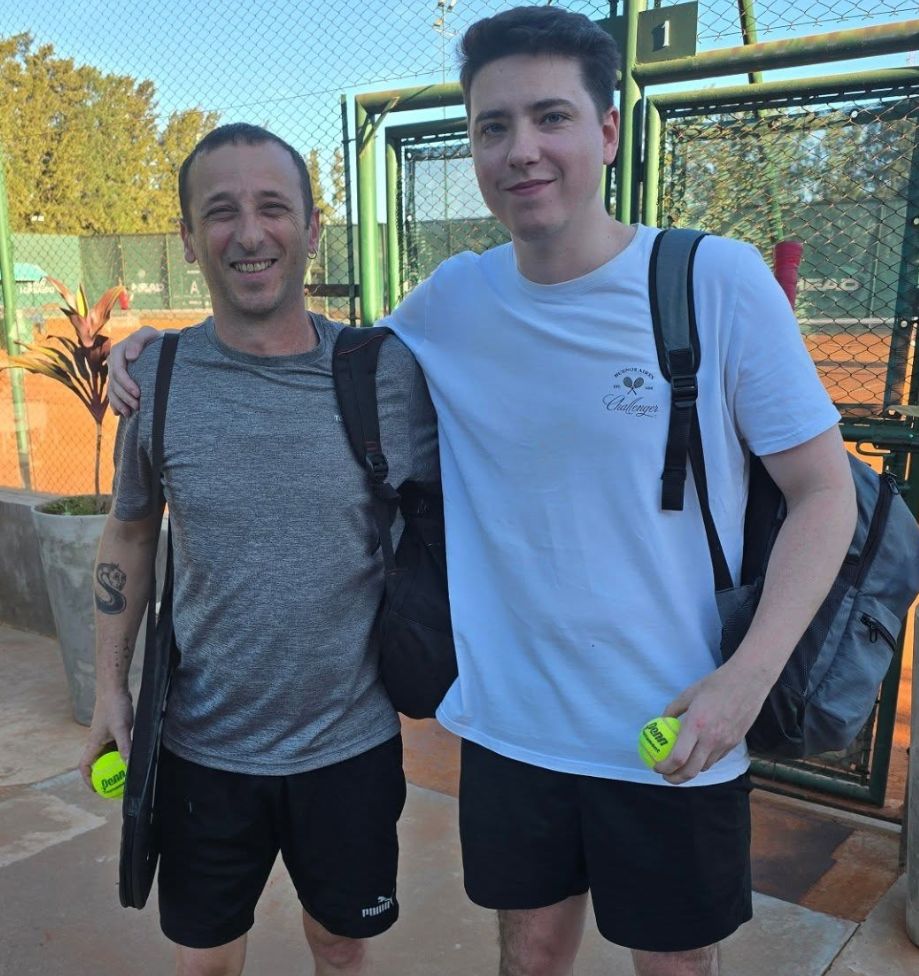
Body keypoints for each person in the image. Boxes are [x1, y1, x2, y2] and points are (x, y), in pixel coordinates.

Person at [108, 8, 857, 976]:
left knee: (675, 967)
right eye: (493, 126)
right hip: (510, 729)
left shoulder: (712, 280)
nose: (521, 149)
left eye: (550, 117)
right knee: (528, 959)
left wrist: (742, 680)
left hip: (677, 720)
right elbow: (297, 343)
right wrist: (160, 350)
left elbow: (822, 494)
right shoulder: (450, 302)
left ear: (607, 131)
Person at [80, 123, 438, 976]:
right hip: (198, 750)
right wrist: (108, 690)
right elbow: (130, 530)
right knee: (204, 963)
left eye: (273, 207)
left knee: (340, 948)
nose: (249, 233)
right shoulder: (156, 377)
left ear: (312, 227)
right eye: (221, 212)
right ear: (187, 237)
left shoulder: (385, 372)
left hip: (349, 746)